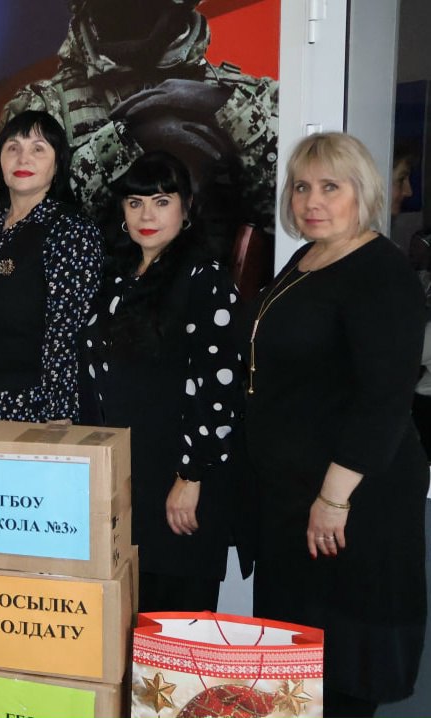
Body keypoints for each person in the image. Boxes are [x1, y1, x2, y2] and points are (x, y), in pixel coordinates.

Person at [246, 132, 427, 717]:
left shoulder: (381, 273)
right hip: (294, 499)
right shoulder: (309, 257)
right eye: (301, 187)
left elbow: (384, 400)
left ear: (363, 192)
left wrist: (333, 498)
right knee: (297, 672)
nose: (312, 201)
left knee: (342, 670)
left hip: (352, 506)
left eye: (330, 187)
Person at [0, 0, 278, 257]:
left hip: (212, 300)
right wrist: (115, 147)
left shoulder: (255, 99)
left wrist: (237, 117)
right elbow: (4, 234)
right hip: (96, 301)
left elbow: (293, 221)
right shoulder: (41, 107)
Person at [84, 151, 243, 611]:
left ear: (186, 207)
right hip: (127, 478)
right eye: (135, 203)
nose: (146, 216)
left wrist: (190, 477)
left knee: (174, 629)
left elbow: (219, 389)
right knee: (124, 623)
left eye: (161, 201)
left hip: (181, 480)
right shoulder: (118, 278)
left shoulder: (206, 280)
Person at [0, 110, 101, 422]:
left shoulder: (70, 230)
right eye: (13, 148)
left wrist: (59, 416)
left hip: (39, 408)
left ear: (58, 163)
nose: (23, 158)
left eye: (38, 149)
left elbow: (65, 332)